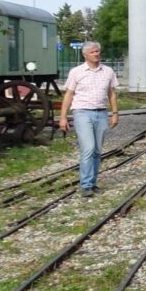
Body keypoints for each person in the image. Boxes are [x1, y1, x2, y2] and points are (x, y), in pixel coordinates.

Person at [57, 41, 119, 197]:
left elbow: (111, 93)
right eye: (92, 52)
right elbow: (69, 95)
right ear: (85, 55)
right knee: (88, 148)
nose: (96, 54)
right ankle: (85, 185)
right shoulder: (76, 72)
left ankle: (92, 183)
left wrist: (115, 113)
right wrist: (63, 117)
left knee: (97, 151)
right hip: (82, 113)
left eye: (97, 51)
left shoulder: (108, 71)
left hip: (101, 113)